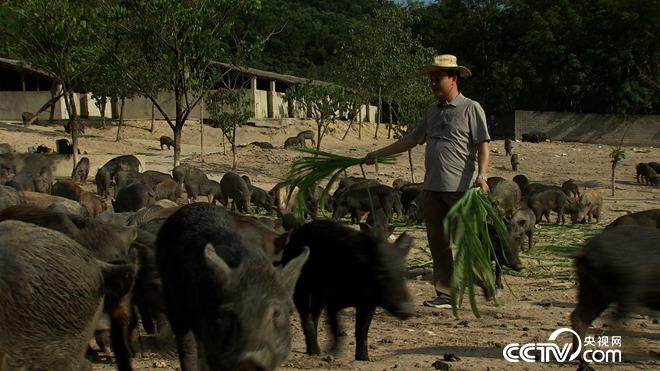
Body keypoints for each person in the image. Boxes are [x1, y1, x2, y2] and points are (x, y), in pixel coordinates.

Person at [365, 54, 491, 309]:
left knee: (467, 241)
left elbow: (483, 145)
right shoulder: (431, 112)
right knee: (438, 244)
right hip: (431, 188)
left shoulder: (471, 108)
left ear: (453, 78)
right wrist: (377, 154)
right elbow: (411, 139)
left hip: (460, 189)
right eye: (431, 80)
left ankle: (485, 278)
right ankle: (445, 294)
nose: (433, 84)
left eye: (438, 79)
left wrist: (482, 176)